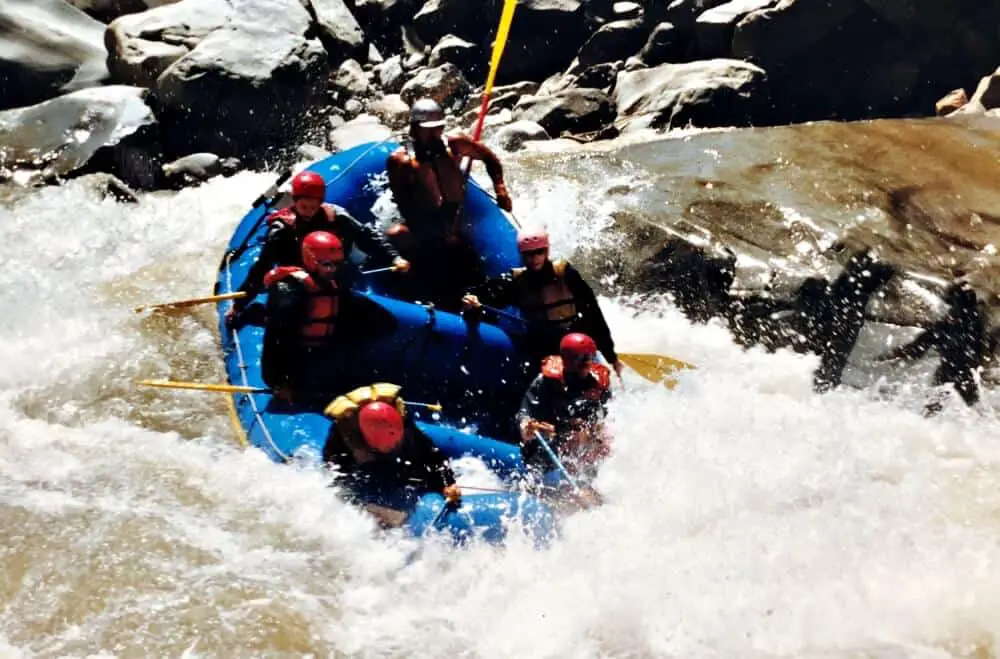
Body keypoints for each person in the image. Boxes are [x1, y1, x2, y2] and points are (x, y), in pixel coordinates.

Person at [227, 170, 407, 324]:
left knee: (349, 283)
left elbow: (367, 237)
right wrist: (238, 305)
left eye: (314, 206)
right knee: (284, 297)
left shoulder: (336, 216)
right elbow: (262, 267)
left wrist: (394, 257)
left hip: (332, 273)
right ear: (294, 201)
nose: (309, 211)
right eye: (304, 206)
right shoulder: (282, 229)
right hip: (297, 280)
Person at [384, 98, 512, 310]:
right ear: (415, 128)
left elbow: (489, 157)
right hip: (424, 220)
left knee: (466, 262)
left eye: (438, 128)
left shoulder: (455, 144)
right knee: (399, 236)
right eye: (428, 130)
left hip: (454, 214)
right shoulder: (401, 161)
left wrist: (500, 188)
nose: (434, 134)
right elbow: (404, 203)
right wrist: (433, 231)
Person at [463, 228, 623, 376]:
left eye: (538, 252)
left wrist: (611, 356)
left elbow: (593, 315)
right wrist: (474, 302)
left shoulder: (566, 275)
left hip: (572, 341)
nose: (534, 258)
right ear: (522, 255)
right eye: (528, 254)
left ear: (546, 251)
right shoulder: (517, 281)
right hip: (541, 344)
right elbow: (487, 297)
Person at [322, 382, 461, 526]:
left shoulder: (403, 423)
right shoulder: (342, 444)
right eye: (392, 444)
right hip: (364, 466)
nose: (397, 444)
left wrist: (447, 484)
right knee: (355, 485)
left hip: (384, 456)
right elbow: (338, 482)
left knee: (420, 474)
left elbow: (433, 455)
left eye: (398, 441)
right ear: (370, 442)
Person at [874, 274, 991, 415]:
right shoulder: (977, 321)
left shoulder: (949, 323)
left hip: (950, 371)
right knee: (975, 407)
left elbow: (920, 345)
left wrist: (894, 354)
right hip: (964, 371)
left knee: (935, 406)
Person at [516, 333, 613, 494]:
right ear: (568, 361)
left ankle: (590, 487)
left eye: (590, 358)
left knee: (599, 438)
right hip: (551, 442)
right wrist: (527, 426)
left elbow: (605, 418)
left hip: (583, 446)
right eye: (581, 359)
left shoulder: (598, 384)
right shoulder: (545, 382)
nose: (587, 364)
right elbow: (524, 414)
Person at [260, 231, 348, 402]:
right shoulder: (289, 289)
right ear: (311, 261)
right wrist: (281, 381)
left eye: (337, 264)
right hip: (295, 361)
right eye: (328, 264)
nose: (333, 269)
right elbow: (276, 340)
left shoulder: (332, 282)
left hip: (321, 355)